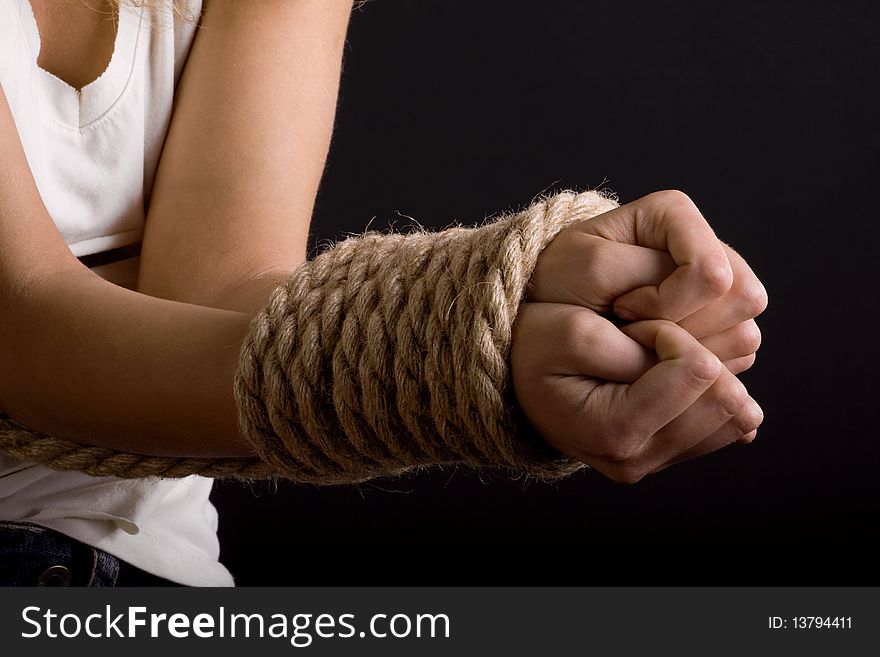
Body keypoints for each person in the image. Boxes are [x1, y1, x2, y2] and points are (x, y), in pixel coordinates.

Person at [0, 0, 766, 586]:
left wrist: (526, 294)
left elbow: (217, 299)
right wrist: (465, 350)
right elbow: (22, 329)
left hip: (163, 571)